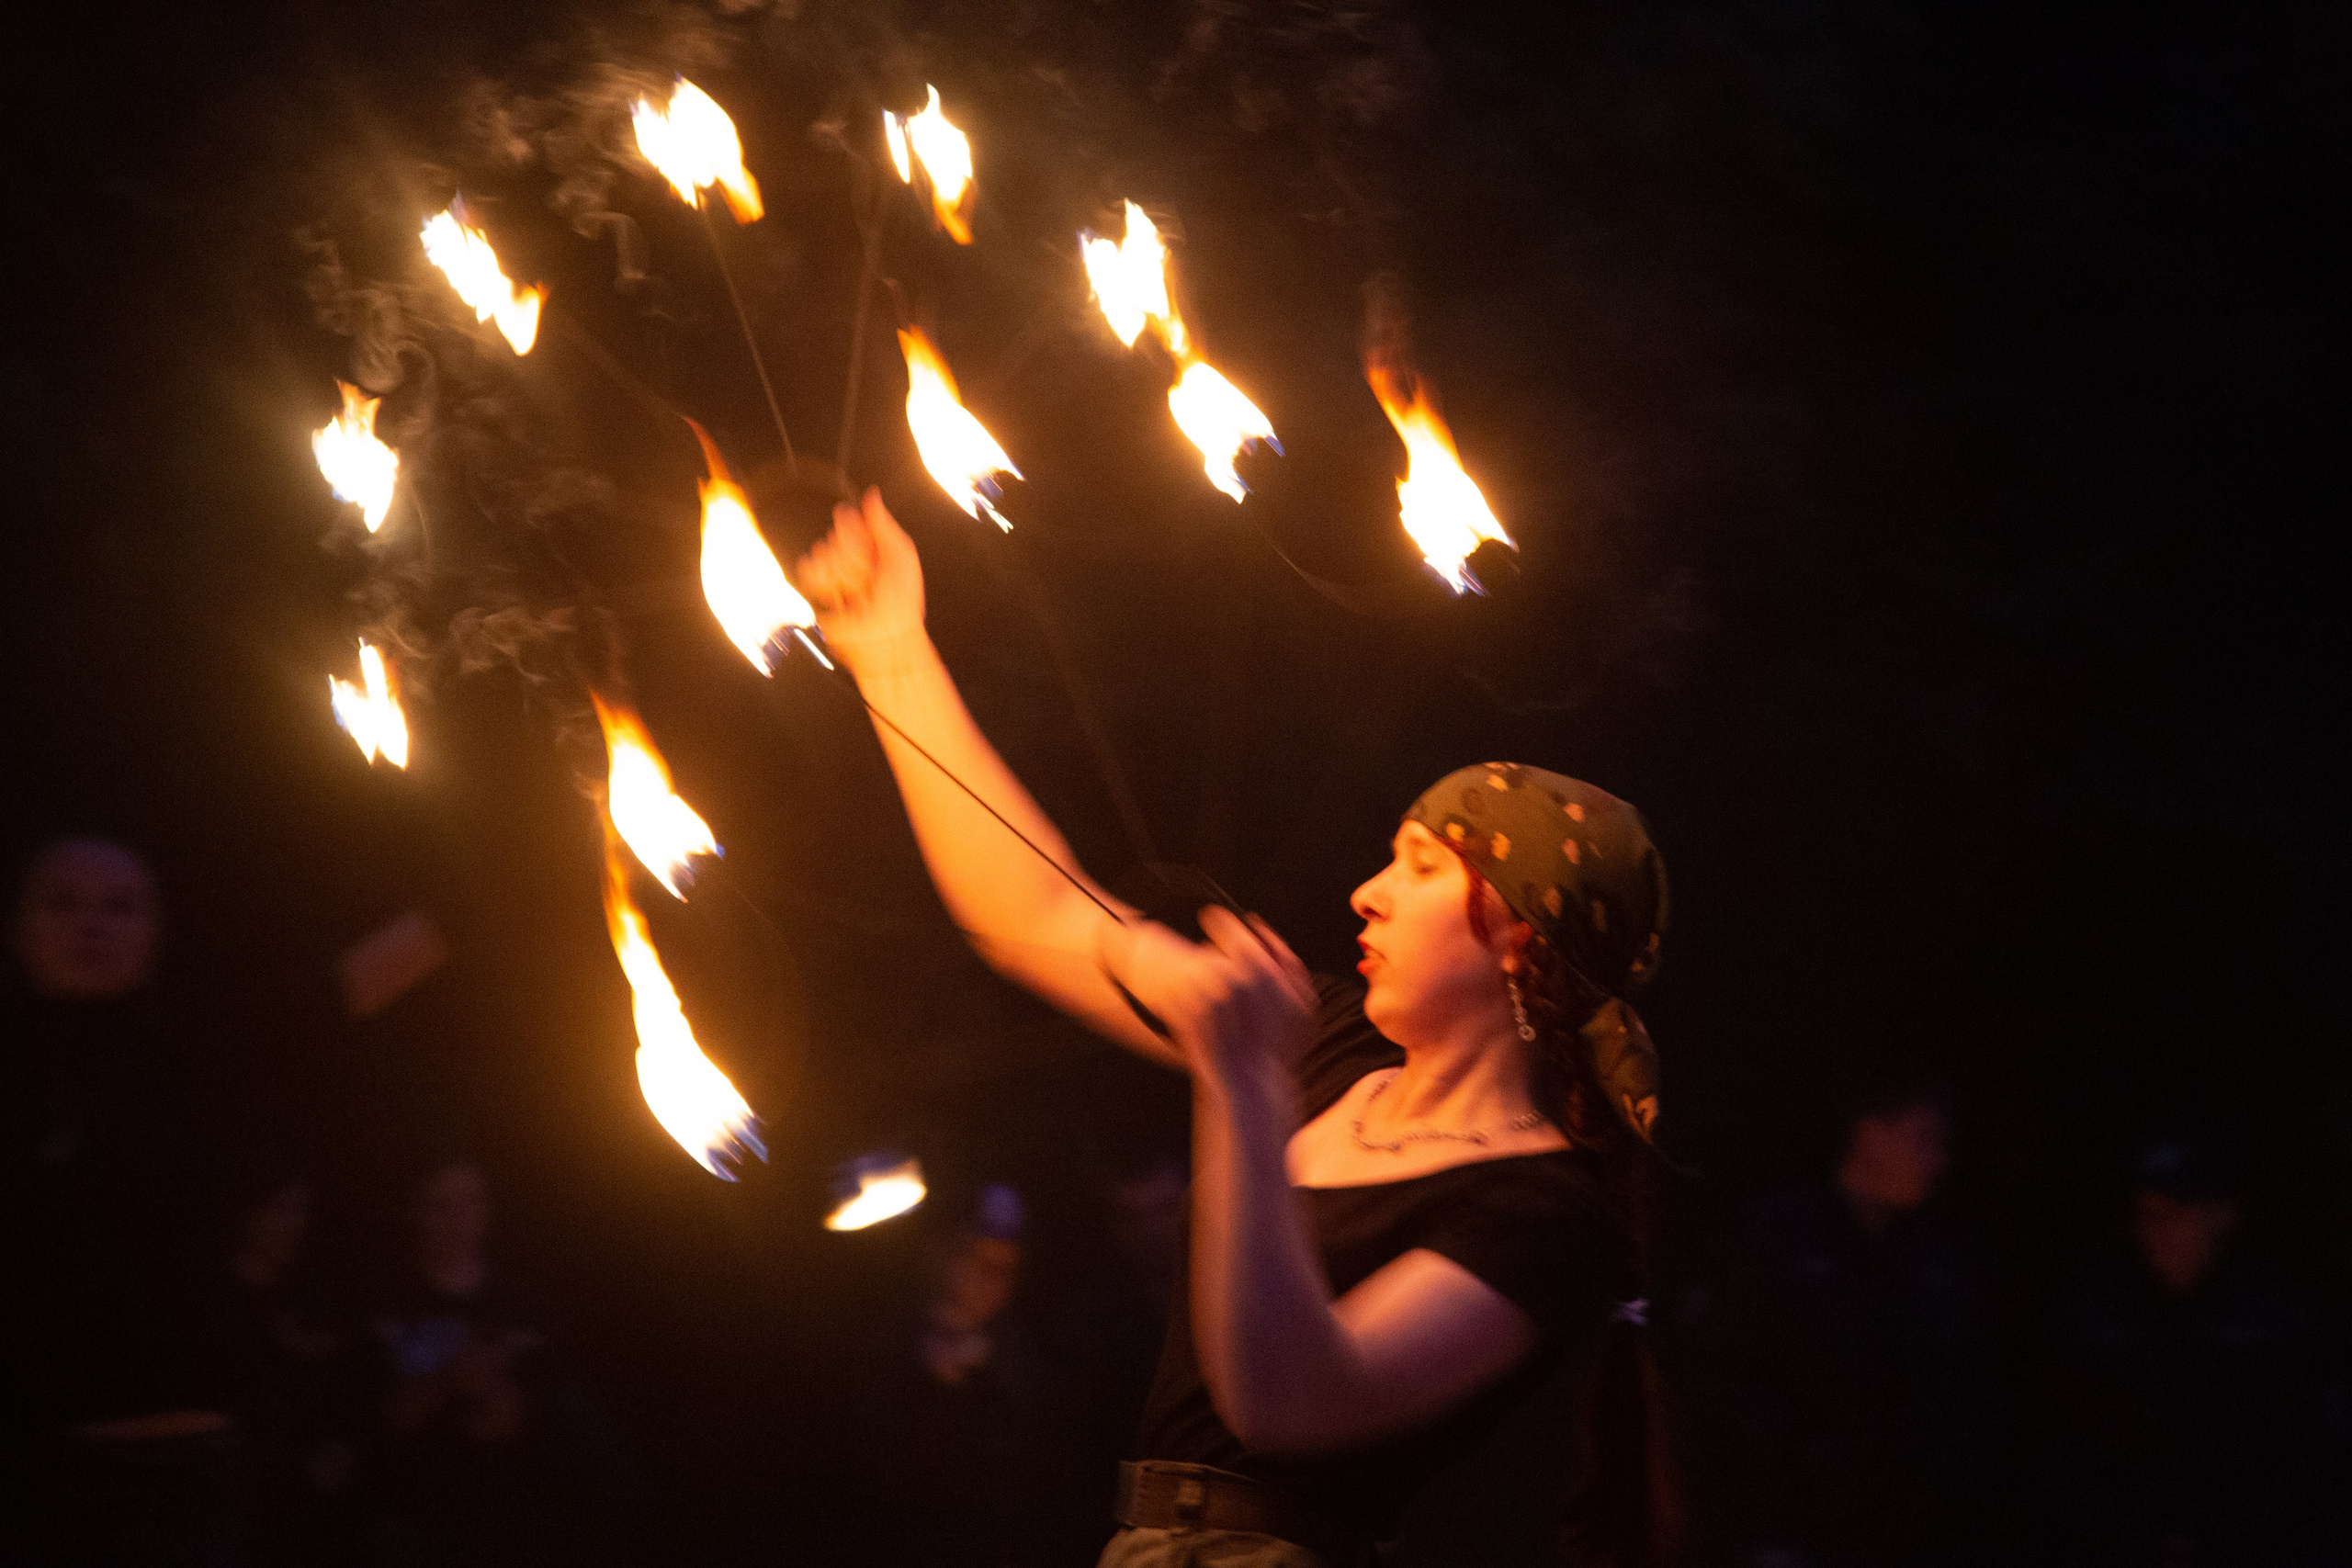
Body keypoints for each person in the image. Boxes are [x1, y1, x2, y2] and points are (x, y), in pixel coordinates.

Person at [795, 491, 1676, 1568]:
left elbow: (1291, 1399)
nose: (1368, 892)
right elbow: (1035, 918)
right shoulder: (1325, 1043)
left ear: (1520, 939)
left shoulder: (1542, 1214)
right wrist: (890, 650)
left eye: (1423, 867)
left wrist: (1243, 1089)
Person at [1690, 1076, 1993, 1568]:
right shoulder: (1775, 1239)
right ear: (1870, 1131)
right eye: (1925, 1138)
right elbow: (1726, 1389)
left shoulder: (1936, 1263)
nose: (1939, 1161)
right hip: (1792, 1537)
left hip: (1908, 1539)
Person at [2042, 1141, 2347, 1567]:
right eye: (2145, 1214)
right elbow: (2066, 1450)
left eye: (2176, 1212)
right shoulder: (2101, 1321)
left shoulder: (2274, 1326)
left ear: (2222, 1216)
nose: (2156, 1229)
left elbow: (2309, 1460)